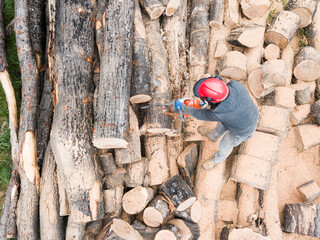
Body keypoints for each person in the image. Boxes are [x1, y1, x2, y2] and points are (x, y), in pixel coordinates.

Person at [174, 76, 258, 170]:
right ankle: (213, 136)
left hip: (243, 130)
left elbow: (199, 114)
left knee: (226, 145)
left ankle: (216, 160)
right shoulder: (235, 85)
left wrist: (183, 107)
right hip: (246, 113)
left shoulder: (219, 113)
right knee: (222, 124)